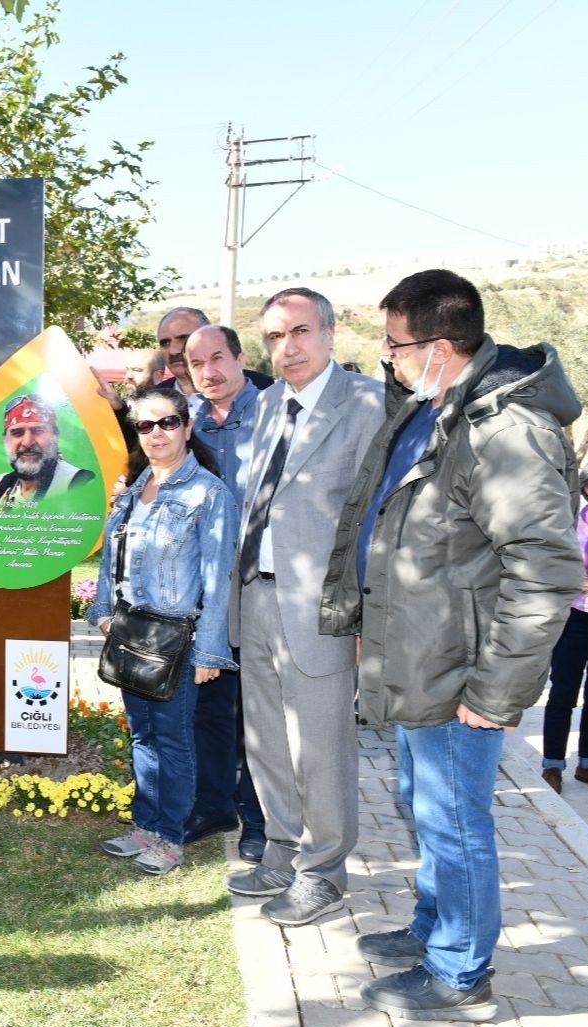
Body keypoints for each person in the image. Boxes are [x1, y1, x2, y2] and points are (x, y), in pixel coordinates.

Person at [321, 269, 581, 1021]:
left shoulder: (507, 431)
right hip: (418, 658)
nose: (387, 357)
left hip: (461, 676)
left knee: (457, 820)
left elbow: (543, 571)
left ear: (439, 345)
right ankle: (435, 930)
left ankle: (461, 976)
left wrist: (495, 694)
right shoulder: (435, 411)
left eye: (396, 345)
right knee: (425, 805)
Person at [225, 288, 384, 926]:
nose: (286, 347)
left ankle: (325, 871)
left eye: (299, 332)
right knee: (264, 740)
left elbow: (374, 521)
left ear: (329, 332)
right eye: (273, 337)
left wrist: (365, 618)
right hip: (257, 597)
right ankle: (283, 853)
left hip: (323, 610)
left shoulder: (370, 406)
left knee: (318, 746)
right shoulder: (266, 406)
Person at [88, 389, 238, 875]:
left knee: (173, 740)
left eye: (167, 423)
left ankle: (170, 835)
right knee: (143, 736)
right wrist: (105, 611)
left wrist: (210, 653)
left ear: (187, 427)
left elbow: (218, 582)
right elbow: (114, 559)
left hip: (178, 639)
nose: (156, 434)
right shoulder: (133, 491)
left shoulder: (209, 494)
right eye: (145, 426)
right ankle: (146, 826)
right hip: (133, 635)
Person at [179, 324, 267, 858]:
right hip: (204, 592)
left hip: (261, 586)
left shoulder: (277, 414)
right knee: (209, 707)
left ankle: (258, 819)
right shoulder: (185, 420)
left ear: (239, 358)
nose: (208, 372)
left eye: (218, 358)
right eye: (196, 364)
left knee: (258, 711)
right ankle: (214, 807)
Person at [540, 456, 588, 794]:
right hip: (573, 617)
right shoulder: (569, 524)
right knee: (562, 693)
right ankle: (553, 766)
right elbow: (549, 568)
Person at [0, 395, 95, 517]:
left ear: (55, 436)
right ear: (5, 440)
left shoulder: (82, 483)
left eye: (38, 431)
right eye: (17, 433)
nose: (27, 442)